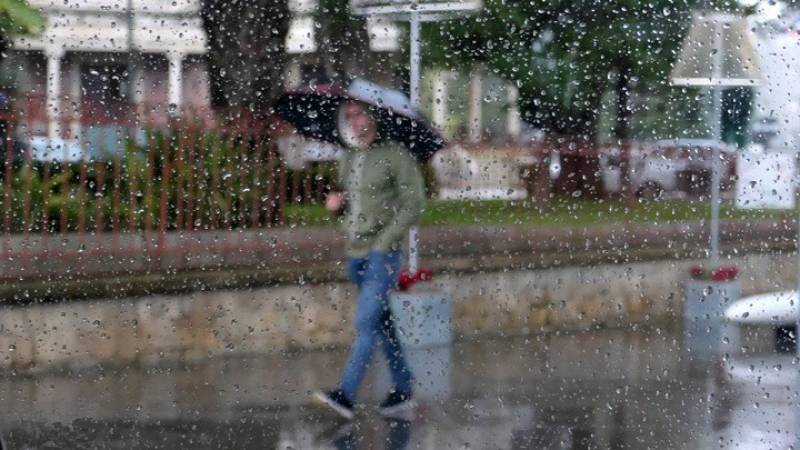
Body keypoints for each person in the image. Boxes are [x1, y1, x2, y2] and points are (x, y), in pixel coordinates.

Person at [313, 100, 426, 420]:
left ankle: (345, 395)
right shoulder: (348, 158)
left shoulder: (395, 155)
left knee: (365, 323)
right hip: (355, 254)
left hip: (382, 255)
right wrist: (336, 208)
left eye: (360, 113)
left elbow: (415, 203)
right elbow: (348, 209)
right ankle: (403, 389)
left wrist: (386, 241)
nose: (354, 120)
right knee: (382, 323)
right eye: (349, 115)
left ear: (374, 116)